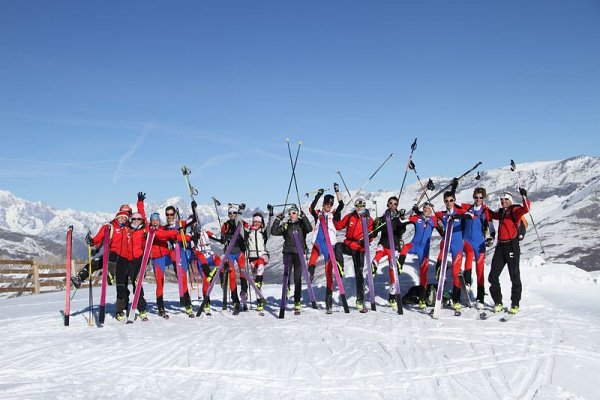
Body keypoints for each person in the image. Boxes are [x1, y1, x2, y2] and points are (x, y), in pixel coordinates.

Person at [487, 189, 530, 314]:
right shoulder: (501, 212)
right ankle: (498, 302)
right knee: (493, 276)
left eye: (506, 199)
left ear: (510, 201)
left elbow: (526, 209)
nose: (503, 202)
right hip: (500, 247)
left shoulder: (514, 210)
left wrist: (524, 196)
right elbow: (492, 215)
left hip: (512, 246)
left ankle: (515, 304)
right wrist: (484, 208)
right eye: (501, 200)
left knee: (514, 276)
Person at [71, 203, 133, 288]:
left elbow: (141, 228)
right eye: (122, 214)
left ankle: (123, 294)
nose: (125, 217)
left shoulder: (130, 228)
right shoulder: (110, 226)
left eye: (127, 214)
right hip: (111, 254)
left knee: (123, 283)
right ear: (118, 215)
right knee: (95, 263)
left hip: (125, 257)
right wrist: (92, 242)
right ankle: (80, 277)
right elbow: (100, 238)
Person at [396, 202, 442, 310]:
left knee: (423, 273)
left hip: (424, 250)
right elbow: (403, 221)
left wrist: (441, 226)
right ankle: (400, 264)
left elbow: (442, 231)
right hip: (415, 245)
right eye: (425, 208)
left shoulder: (433, 220)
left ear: (431, 210)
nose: (426, 209)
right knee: (405, 247)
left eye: (428, 208)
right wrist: (403, 214)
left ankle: (422, 299)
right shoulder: (417, 218)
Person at [434, 190, 473, 312]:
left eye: (451, 200)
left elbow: (471, 216)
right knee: (440, 259)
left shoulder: (459, 211)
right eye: (446, 201)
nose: (449, 202)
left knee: (456, 273)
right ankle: (439, 271)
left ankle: (456, 300)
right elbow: (432, 216)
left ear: (454, 201)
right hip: (447, 243)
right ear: (444, 202)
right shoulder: (443, 214)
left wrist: (459, 216)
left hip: (457, 245)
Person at [307, 184, 344, 313]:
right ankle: (310, 272)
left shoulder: (334, 214)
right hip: (318, 241)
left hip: (330, 245)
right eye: (326, 204)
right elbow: (311, 208)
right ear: (323, 204)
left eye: (330, 204)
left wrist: (337, 191)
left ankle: (328, 299)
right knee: (313, 255)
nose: (328, 206)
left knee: (329, 273)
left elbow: (342, 206)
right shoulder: (318, 213)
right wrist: (318, 195)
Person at [333, 197, 374, 313]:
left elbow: (372, 233)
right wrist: (336, 216)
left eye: (362, 206)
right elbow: (339, 226)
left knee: (359, 274)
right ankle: (340, 266)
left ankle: (360, 300)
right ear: (355, 206)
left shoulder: (368, 219)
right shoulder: (350, 216)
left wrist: (367, 240)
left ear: (365, 206)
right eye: (357, 206)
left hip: (360, 248)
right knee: (338, 246)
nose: (359, 208)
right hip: (349, 244)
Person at [270, 204, 313, 314]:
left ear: (297, 214)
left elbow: (309, 228)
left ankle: (297, 302)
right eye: (289, 213)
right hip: (288, 253)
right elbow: (274, 232)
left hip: (299, 254)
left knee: (297, 279)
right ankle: (287, 289)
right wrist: (278, 219)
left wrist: (304, 217)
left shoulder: (302, 224)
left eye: (293, 213)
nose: (291, 215)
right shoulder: (286, 225)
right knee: (286, 275)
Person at [459, 187, 496, 306]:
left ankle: (480, 297)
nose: (478, 199)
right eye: (476, 197)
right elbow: (453, 204)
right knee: (469, 255)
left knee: (480, 270)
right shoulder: (467, 208)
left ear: (484, 198)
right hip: (467, 240)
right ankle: (467, 282)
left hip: (479, 242)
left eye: (480, 197)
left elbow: (491, 227)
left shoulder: (486, 211)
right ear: (473, 197)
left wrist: (492, 237)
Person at [371, 196, 409, 307]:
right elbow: (375, 231)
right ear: (387, 204)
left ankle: (392, 296)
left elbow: (402, 230)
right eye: (391, 203)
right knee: (379, 252)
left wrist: (401, 219)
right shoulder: (383, 217)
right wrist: (377, 224)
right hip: (384, 244)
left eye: (395, 204)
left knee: (393, 268)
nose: (393, 205)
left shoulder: (398, 218)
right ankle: (374, 264)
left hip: (394, 247)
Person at [163, 205, 196, 316]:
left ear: (175, 215)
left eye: (171, 214)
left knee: (182, 277)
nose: (169, 216)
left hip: (181, 252)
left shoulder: (181, 224)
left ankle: (187, 304)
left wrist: (193, 208)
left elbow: (192, 222)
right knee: (180, 277)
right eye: (167, 214)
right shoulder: (164, 227)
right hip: (170, 254)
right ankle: (184, 300)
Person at [220, 204, 249, 314]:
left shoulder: (242, 222)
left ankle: (244, 293)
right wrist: (224, 238)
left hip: (240, 252)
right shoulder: (225, 225)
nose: (232, 215)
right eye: (230, 213)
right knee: (232, 276)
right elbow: (222, 237)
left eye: (234, 213)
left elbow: (247, 231)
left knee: (243, 272)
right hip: (229, 253)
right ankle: (235, 300)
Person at [243, 211, 274, 312]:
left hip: (263, 255)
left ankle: (258, 282)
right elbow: (238, 223)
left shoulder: (263, 232)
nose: (256, 223)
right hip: (252, 258)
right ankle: (259, 303)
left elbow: (270, 226)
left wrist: (271, 215)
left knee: (261, 266)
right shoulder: (248, 232)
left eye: (258, 222)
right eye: (254, 221)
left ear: (261, 223)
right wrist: (239, 213)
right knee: (257, 283)